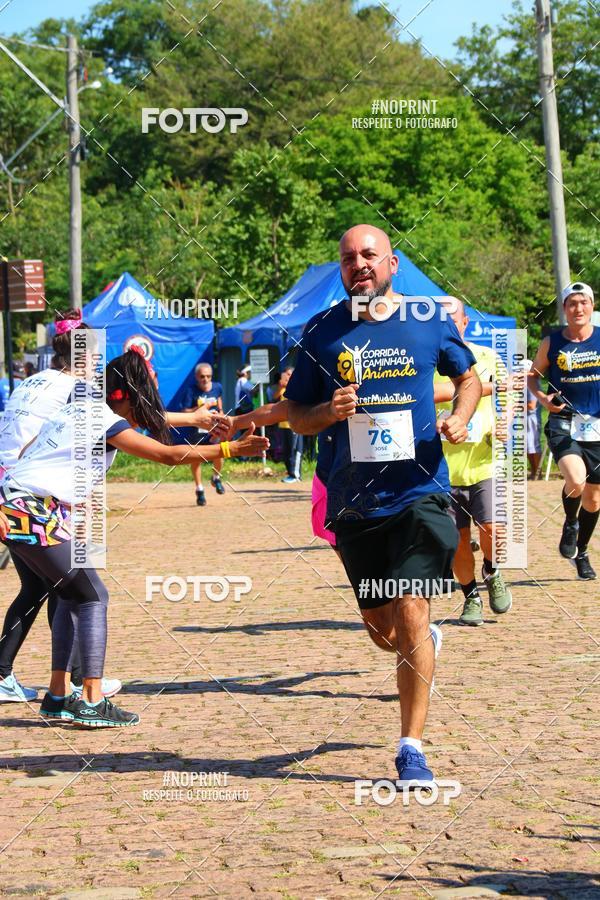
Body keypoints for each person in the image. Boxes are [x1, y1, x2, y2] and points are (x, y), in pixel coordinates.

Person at [285, 224, 481, 785]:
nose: (359, 265)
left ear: (392, 263)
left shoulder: (428, 322)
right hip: (353, 503)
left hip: (419, 493)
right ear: (341, 271)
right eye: (349, 259)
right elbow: (296, 414)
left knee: (413, 605)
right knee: (381, 627)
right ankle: (414, 641)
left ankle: (410, 748)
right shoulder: (322, 330)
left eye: (369, 255)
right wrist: (327, 411)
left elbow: (468, 378)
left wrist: (460, 418)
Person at [0, 347, 268, 727]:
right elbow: (167, 455)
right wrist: (230, 448)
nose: (150, 401)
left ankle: (59, 694)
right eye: (147, 389)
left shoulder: (83, 407)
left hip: (17, 503)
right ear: (126, 394)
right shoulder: (104, 420)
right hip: (32, 508)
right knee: (93, 596)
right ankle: (91, 700)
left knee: (68, 593)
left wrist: (198, 420)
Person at [435, 299, 513, 626]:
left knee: (493, 529)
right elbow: (429, 393)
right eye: (443, 321)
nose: (450, 326)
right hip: (441, 468)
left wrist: (505, 421)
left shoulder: (488, 357)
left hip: (484, 460)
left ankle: (492, 571)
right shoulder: (425, 359)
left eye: (454, 320)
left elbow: (508, 397)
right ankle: (471, 597)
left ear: (465, 322)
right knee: (457, 542)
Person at [529, 282, 600, 580]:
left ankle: (581, 551)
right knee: (575, 479)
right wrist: (543, 398)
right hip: (564, 421)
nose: (578, 308)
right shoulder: (552, 342)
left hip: (597, 425)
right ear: (564, 309)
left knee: (594, 500)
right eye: (572, 303)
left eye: (583, 302)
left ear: (592, 307)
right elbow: (532, 377)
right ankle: (570, 521)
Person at [182, 363, 225, 506]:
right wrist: (199, 409)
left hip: (214, 429)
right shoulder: (191, 391)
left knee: (220, 453)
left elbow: (220, 405)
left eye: (208, 376)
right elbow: (185, 412)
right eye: (202, 376)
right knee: (196, 459)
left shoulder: (217, 387)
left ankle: (216, 477)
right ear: (196, 377)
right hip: (197, 431)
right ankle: (199, 489)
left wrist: (221, 414)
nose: (205, 379)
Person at [273, 368, 303, 483]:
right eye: (286, 375)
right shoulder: (284, 389)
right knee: (287, 451)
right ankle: (290, 473)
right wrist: (280, 387)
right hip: (283, 425)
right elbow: (274, 397)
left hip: (295, 424)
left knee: (295, 450)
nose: (287, 377)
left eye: (290, 375)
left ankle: (296, 475)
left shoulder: (298, 386)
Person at [526, 360, 542, 479]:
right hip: (525, 418)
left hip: (532, 419)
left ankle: (538, 472)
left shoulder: (532, 382)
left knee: (534, 445)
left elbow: (531, 405)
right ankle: (533, 471)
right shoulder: (525, 383)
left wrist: (515, 405)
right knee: (527, 446)